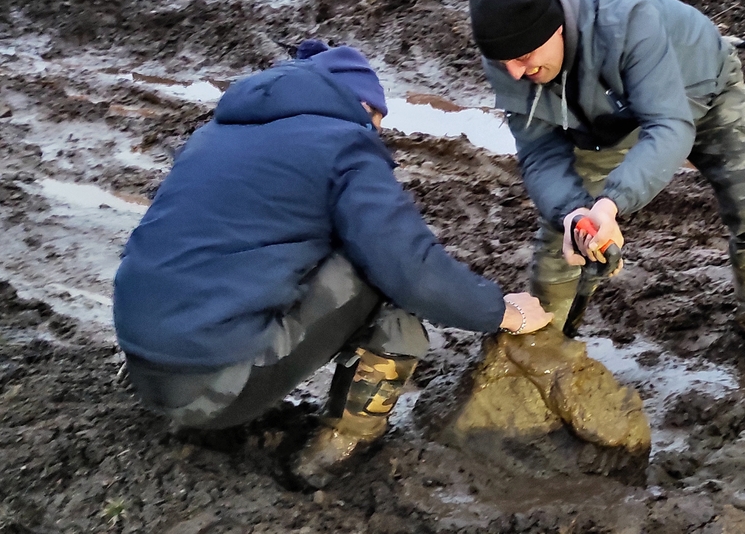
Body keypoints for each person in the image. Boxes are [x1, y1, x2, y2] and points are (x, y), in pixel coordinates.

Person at [113, 41, 551, 489]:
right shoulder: (344, 142)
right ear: (361, 104)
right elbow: (413, 271)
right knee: (379, 274)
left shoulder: (213, 136)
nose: (378, 133)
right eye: (378, 121)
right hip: (211, 388)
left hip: (144, 370)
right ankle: (343, 443)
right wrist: (501, 311)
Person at [467, 0, 745, 364]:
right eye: (502, 62)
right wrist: (576, 214)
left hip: (703, 91)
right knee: (569, 232)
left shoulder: (627, 19)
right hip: (610, 118)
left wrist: (611, 203)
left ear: (556, 27)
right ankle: (546, 340)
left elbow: (669, 126)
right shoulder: (509, 57)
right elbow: (540, 151)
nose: (515, 72)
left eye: (524, 57)